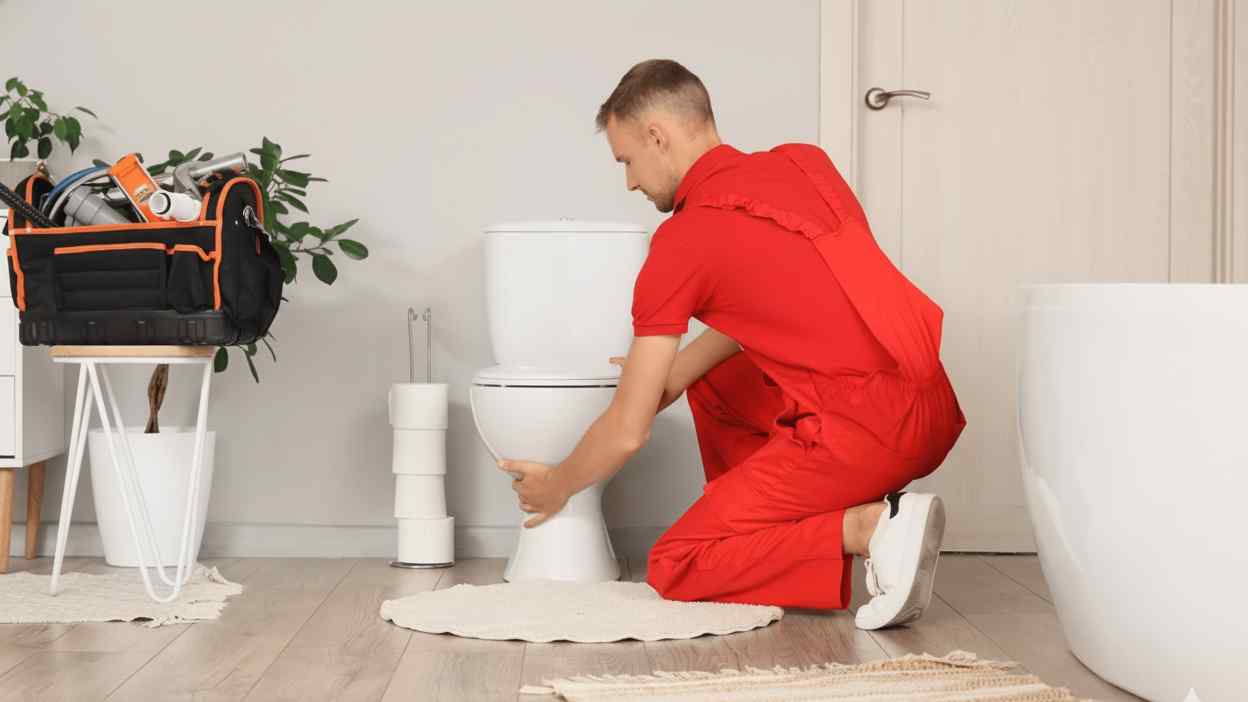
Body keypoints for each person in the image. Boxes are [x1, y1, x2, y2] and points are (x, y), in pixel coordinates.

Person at [498, 59, 966, 630]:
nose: (630, 182)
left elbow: (627, 430)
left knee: (676, 562)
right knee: (712, 381)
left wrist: (556, 487)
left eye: (626, 161)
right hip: (929, 411)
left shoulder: (681, 244)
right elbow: (800, 303)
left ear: (656, 137)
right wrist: (670, 375)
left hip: (864, 434)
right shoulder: (804, 164)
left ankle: (863, 529)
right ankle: (767, 540)